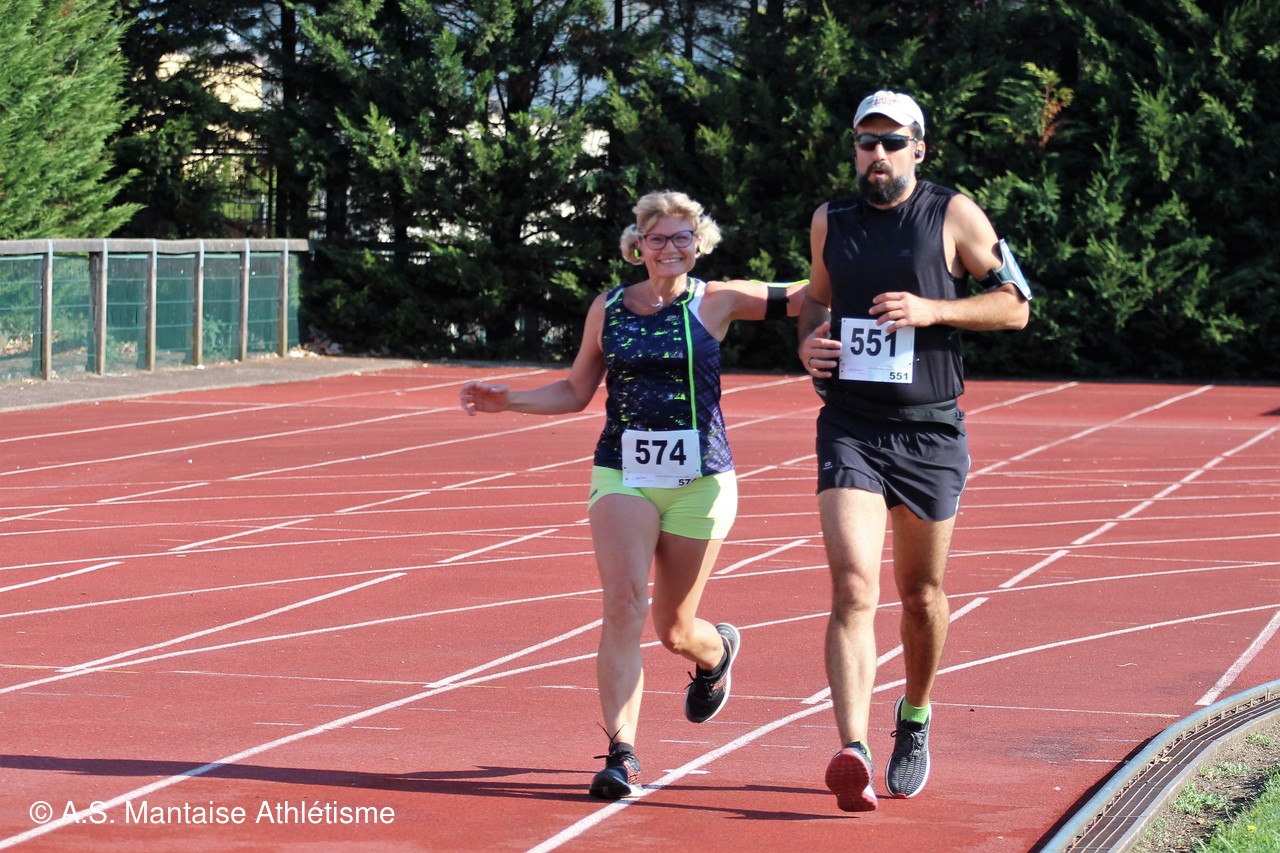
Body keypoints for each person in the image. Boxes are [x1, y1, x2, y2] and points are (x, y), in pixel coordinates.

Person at [460, 190, 807, 800]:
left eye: (681, 238)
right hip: (623, 472)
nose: (670, 248)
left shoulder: (719, 299)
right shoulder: (609, 308)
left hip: (702, 480)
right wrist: (508, 400)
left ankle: (716, 654)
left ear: (698, 244)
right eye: (657, 238)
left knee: (674, 629)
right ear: (637, 246)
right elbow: (575, 391)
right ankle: (622, 754)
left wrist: (872, 260)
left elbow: (807, 292)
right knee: (624, 604)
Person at [796, 90, 1032, 812]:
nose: (878, 154)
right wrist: (809, 342)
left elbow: (1017, 305)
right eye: (866, 141)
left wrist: (932, 309)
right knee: (852, 587)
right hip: (851, 425)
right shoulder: (830, 220)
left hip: (930, 431)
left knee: (921, 595)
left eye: (892, 142)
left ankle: (917, 712)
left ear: (918, 149)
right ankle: (853, 749)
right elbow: (816, 297)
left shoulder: (952, 214)